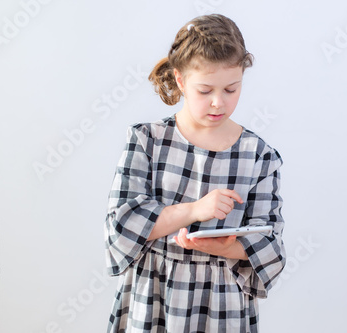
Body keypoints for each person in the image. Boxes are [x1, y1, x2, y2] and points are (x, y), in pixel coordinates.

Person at [104, 14, 286, 333]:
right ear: (180, 80)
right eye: (205, 90)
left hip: (222, 304)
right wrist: (194, 210)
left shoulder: (259, 155)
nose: (219, 103)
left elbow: (270, 241)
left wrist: (225, 246)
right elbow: (121, 225)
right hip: (154, 296)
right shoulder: (148, 140)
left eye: (231, 89)